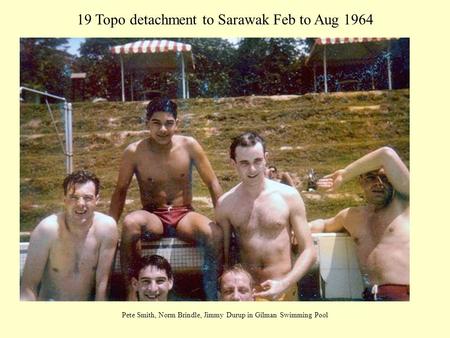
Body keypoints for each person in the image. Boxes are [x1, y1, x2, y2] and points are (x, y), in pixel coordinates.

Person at [109, 97, 223, 300]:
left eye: (169, 123)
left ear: (177, 124)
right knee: (130, 223)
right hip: (154, 216)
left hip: (184, 214)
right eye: (156, 123)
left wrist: (223, 221)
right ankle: (131, 294)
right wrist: (109, 227)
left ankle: (212, 291)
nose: (163, 129)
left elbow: (212, 183)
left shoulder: (189, 146)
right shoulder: (134, 152)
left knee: (214, 233)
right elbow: (120, 191)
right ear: (147, 124)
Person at [215, 132, 316, 301]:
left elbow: (310, 251)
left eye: (257, 161)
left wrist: (284, 284)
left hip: (284, 291)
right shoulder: (225, 204)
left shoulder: (289, 196)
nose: (252, 169)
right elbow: (225, 259)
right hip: (247, 296)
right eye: (244, 163)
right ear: (234, 164)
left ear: (266, 158)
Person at [309, 146, 409, 301]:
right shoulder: (352, 216)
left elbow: (385, 154)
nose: (379, 183)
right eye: (371, 177)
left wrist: (345, 174)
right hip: (370, 297)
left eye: (385, 177)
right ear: (361, 182)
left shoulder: (405, 204)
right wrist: (296, 230)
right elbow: (323, 224)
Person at [21, 170, 118, 301]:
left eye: (88, 198)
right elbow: (28, 288)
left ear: (97, 200)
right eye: (74, 197)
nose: (81, 204)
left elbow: (103, 287)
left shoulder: (106, 229)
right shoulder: (47, 230)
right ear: (65, 199)